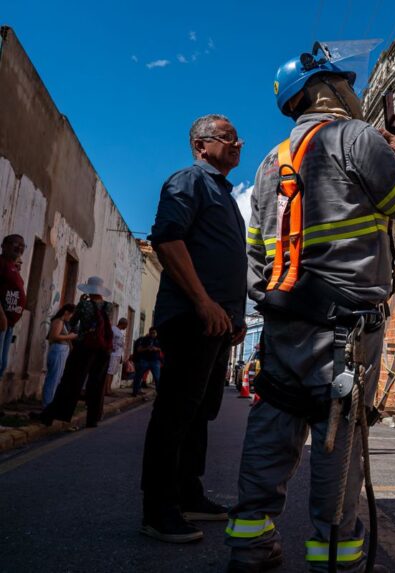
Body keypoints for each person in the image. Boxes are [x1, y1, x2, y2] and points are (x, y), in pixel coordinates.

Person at [225, 47, 395, 573]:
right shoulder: (357, 138)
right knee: (336, 442)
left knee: (272, 428)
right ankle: (333, 556)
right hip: (344, 331)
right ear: (327, 88)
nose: (354, 92)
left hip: (282, 323)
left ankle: (249, 546)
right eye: (347, 83)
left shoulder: (270, 163)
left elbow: (253, 255)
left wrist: (275, 304)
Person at [139, 113, 248, 544]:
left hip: (218, 323)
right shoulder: (188, 181)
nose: (238, 144)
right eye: (229, 138)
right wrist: (203, 302)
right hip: (191, 317)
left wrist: (234, 320)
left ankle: (188, 492)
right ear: (201, 145)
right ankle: (157, 508)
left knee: (200, 412)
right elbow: (168, 240)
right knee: (176, 411)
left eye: (239, 139)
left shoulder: (221, 191)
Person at [34, 277, 114, 428]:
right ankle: (93, 419)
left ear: (89, 290)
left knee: (71, 381)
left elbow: (72, 323)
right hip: (103, 349)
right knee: (97, 384)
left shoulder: (84, 304)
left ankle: (54, 414)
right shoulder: (108, 306)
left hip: (85, 347)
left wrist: (82, 303)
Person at [0, 234, 27, 380]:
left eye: (22, 246)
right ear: (3, 246)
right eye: (15, 244)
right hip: (2, 321)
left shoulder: (11, 266)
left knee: (2, 365)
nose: (20, 248)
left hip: (9, 324)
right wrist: (2, 317)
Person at [42, 303, 77, 406]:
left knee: (57, 378)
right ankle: (47, 404)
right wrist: (70, 337)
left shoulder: (63, 322)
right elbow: (54, 336)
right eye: (71, 314)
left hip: (61, 351)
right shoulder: (58, 321)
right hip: (58, 350)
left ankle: (51, 403)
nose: (71, 317)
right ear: (66, 312)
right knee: (53, 378)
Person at [132, 327, 161, 395]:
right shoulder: (144, 339)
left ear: (156, 333)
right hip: (144, 360)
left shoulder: (158, 340)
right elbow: (139, 349)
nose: (152, 334)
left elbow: (161, 348)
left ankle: (159, 394)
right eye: (151, 333)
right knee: (138, 376)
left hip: (155, 361)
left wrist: (156, 349)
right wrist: (147, 348)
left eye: (154, 333)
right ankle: (135, 391)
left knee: (157, 378)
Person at [104, 317, 128, 396]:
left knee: (113, 372)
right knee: (110, 372)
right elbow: (109, 340)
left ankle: (109, 388)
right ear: (123, 324)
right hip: (113, 354)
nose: (126, 327)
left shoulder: (119, 332)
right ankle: (106, 389)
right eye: (126, 325)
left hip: (117, 354)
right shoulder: (113, 329)